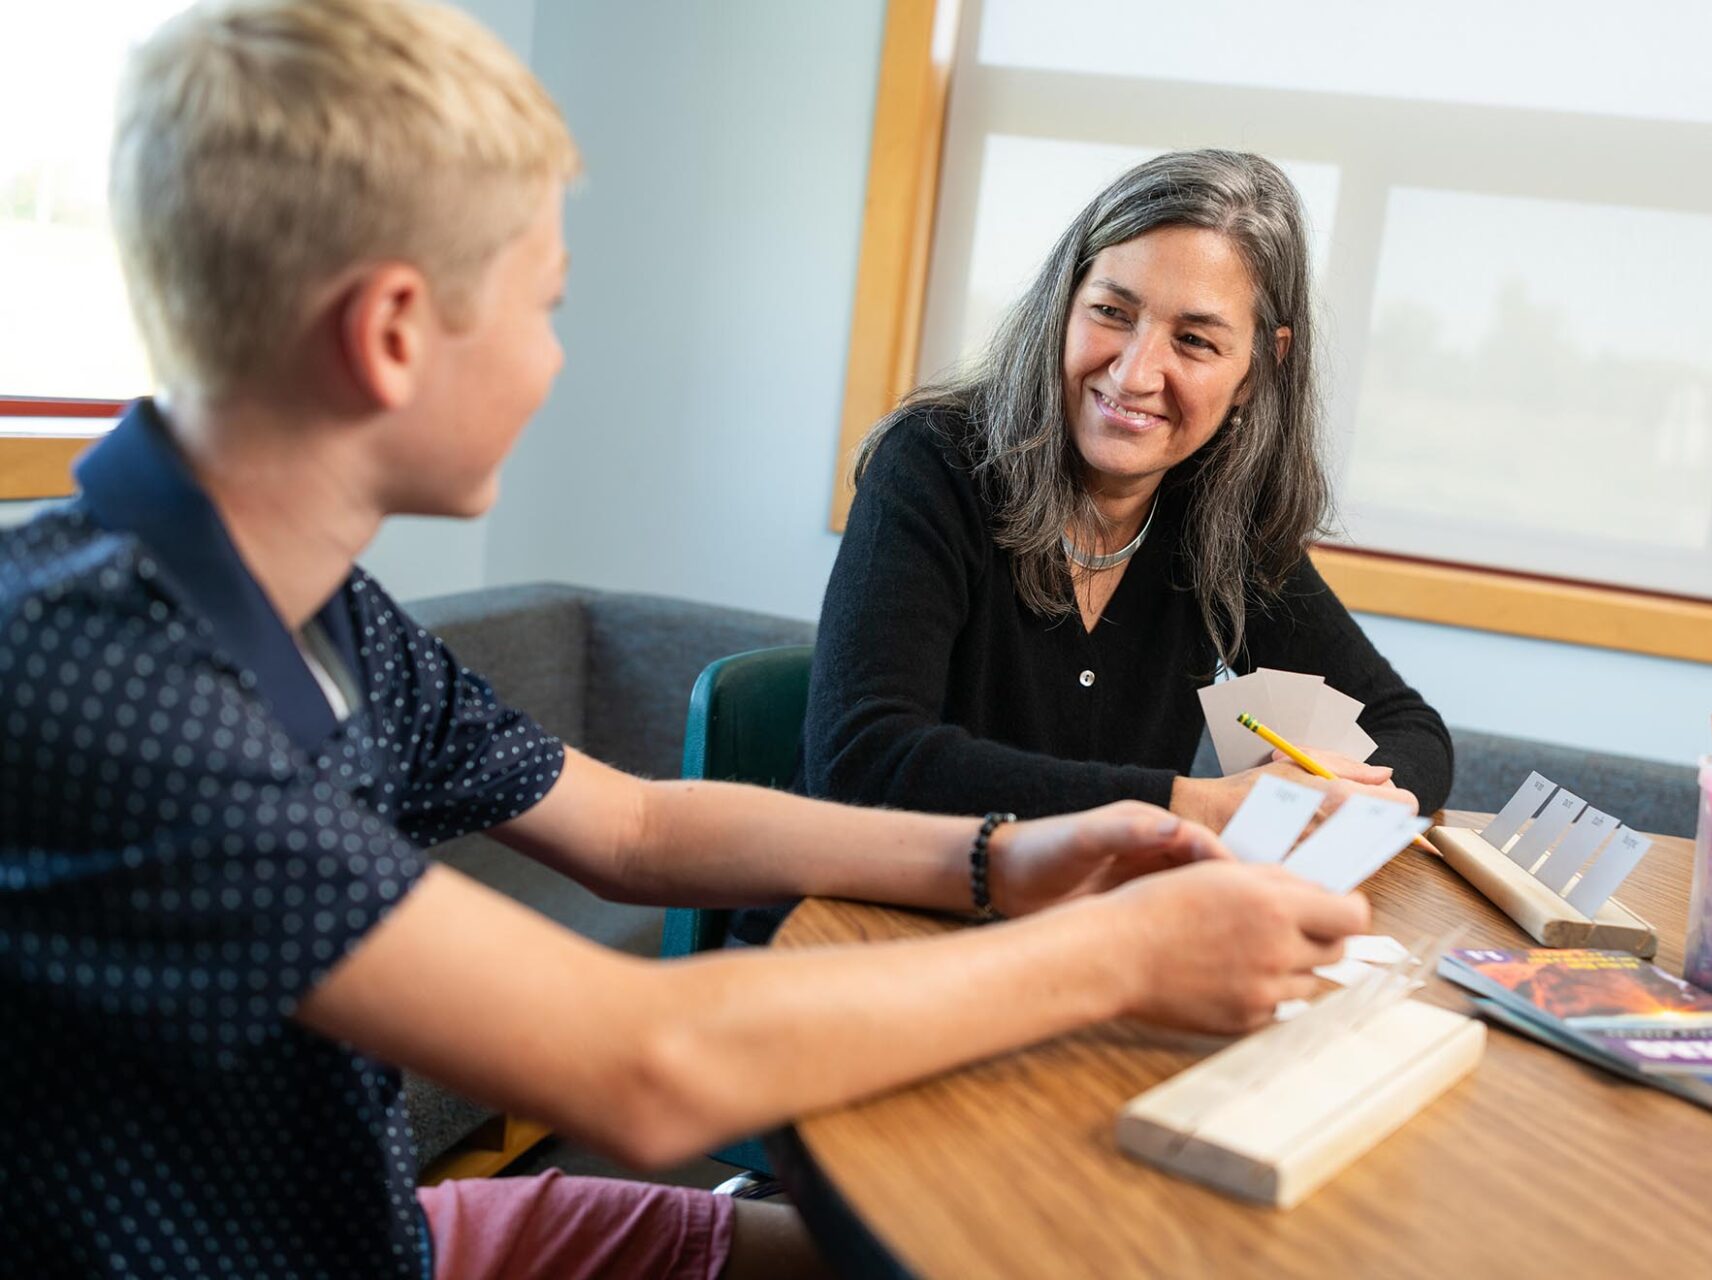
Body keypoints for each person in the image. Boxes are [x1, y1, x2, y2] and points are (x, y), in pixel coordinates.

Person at [0, 5, 1375, 1278]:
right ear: (395, 336)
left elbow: (639, 832)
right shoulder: (107, 688)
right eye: (546, 304)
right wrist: (1129, 950)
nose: (556, 356)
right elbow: (640, 1070)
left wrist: (998, 857)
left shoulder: (309, 605)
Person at [802, 149, 1452, 837]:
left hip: (1085, 927)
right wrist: (1192, 804)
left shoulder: (1217, 510)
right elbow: (860, 763)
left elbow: (1408, 733)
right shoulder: (933, 461)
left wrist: (1350, 800)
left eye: (1195, 340)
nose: (1136, 372)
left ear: (1261, 368)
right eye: (1112, 311)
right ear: (1065, 302)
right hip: (873, 920)